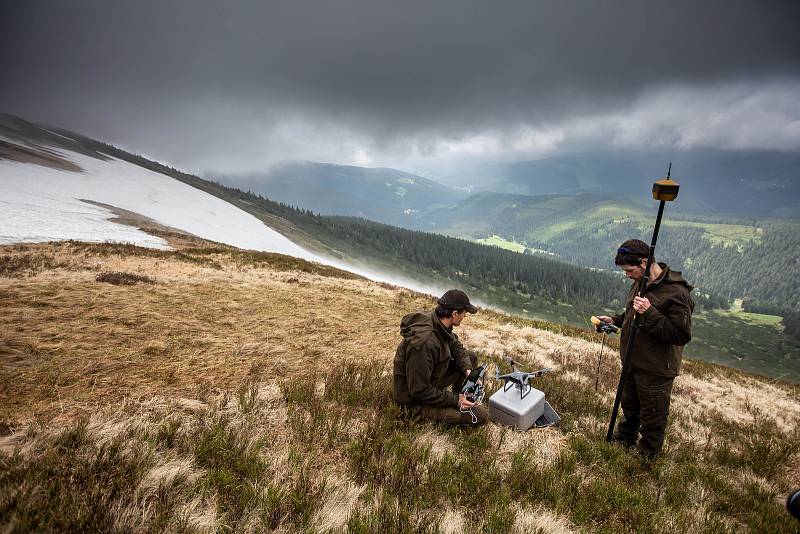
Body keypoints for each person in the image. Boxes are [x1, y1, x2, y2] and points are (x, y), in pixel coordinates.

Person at [596, 239, 694, 458]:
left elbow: (681, 335)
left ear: (644, 262)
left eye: (630, 270)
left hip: (656, 368)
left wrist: (650, 311)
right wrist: (614, 320)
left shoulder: (677, 293)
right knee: (630, 408)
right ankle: (624, 442)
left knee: (653, 417)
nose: (627, 275)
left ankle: (646, 459)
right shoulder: (640, 283)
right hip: (632, 361)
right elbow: (632, 316)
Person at [393, 289, 489, 426]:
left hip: (429, 381)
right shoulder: (425, 343)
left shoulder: (439, 322)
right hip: (413, 402)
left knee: (470, 358)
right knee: (481, 416)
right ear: (454, 314)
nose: (464, 317)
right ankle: (457, 404)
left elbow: (456, 347)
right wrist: (455, 400)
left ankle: (462, 398)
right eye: (464, 313)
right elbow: (419, 391)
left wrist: (468, 371)